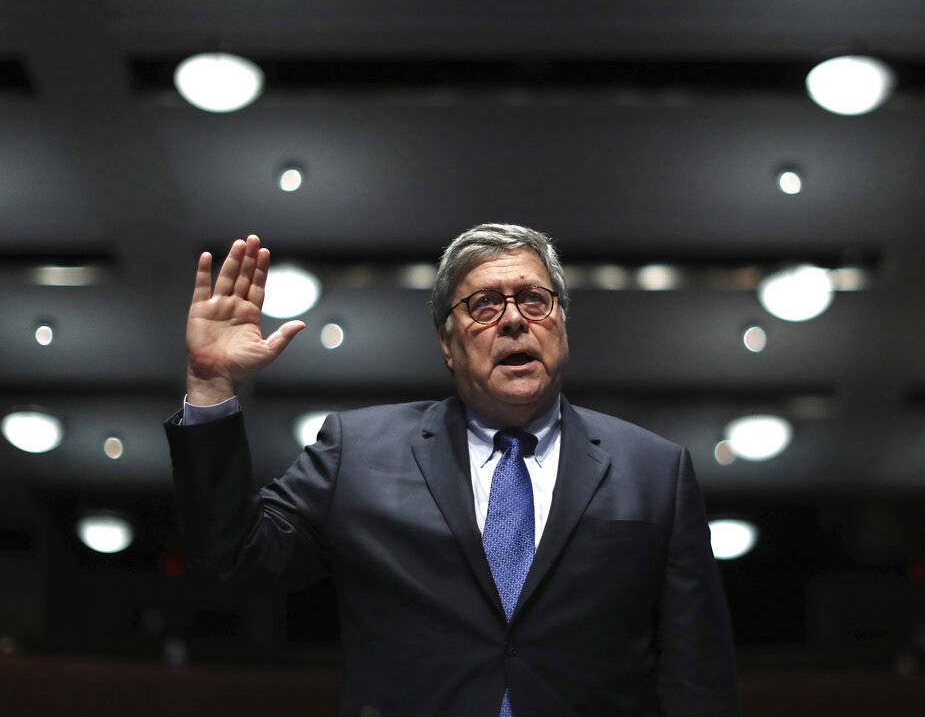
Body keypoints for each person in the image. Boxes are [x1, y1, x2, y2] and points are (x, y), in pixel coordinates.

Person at [165, 223, 739, 717]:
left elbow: (698, 674)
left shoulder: (655, 470)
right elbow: (233, 562)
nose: (514, 320)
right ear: (447, 341)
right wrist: (212, 387)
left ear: (561, 323)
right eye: (485, 305)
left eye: (535, 300)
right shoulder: (358, 451)